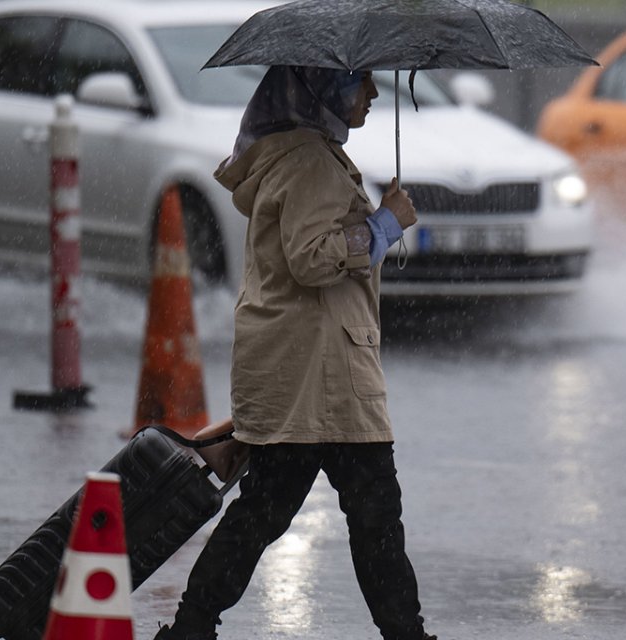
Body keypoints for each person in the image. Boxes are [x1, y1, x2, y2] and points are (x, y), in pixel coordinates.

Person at [155, 65, 434, 640]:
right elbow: (313, 258)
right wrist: (385, 224)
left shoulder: (300, 153)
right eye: (363, 82)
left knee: (268, 512)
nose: (375, 94)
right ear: (324, 85)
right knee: (371, 514)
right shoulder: (309, 160)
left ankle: (190, 628)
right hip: (323, 373)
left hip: (306, 368)